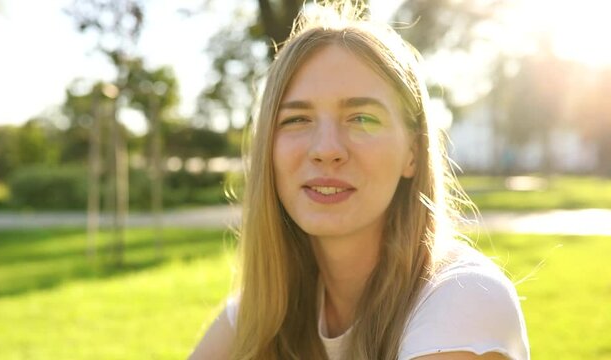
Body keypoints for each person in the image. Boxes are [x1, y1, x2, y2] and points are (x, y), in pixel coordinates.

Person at [190, 2, 529, 359]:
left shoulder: (464, 297)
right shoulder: (264, 310)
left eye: (361, 118)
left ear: (413, 153)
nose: (326, 149)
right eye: (296, 120)